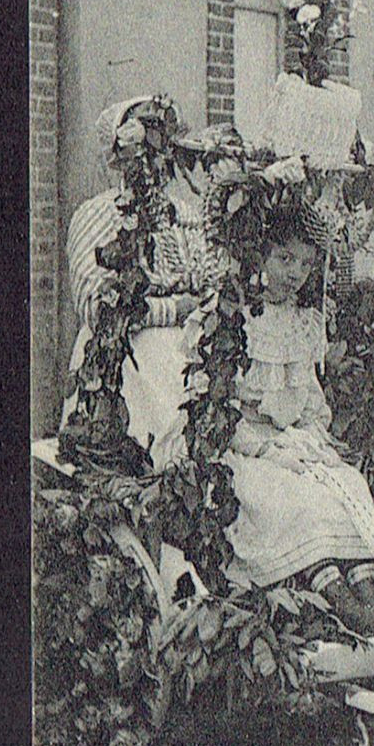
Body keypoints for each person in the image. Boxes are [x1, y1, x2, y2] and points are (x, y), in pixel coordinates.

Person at [220, 210, 374, 632]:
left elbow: (308, 399)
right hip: (247, 448)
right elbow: (217, 410)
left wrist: (314, 441)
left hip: (295, 442)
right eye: (285, 260)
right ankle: (347, 607)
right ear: (260, 258)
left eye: (306, 264)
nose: (296, 274)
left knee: (347, 486)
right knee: (291, 500)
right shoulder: (233, 320)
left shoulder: (303, 323)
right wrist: (266, 448)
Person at [62, 97, 229, 472]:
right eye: (147, 153)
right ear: (121, 158)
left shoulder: (183, 214)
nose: (158, 165)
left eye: (164, 151)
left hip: (188, 345)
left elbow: (208, 282)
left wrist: (198, 306)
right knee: (170, 433)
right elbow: (97, 306)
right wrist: (173, 309)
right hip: (127, 351)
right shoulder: (100, 213)